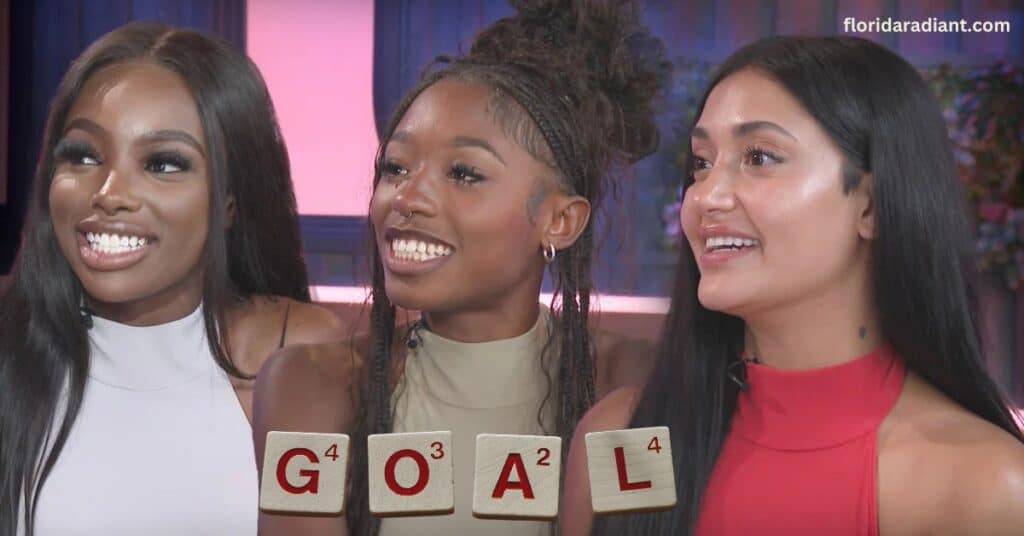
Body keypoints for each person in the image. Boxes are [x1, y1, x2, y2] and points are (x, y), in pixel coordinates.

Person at [564, 36, 1024, 535]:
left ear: (871, 205)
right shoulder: (623, 438)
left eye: (759, 157)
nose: (705, 197)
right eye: (701, 162)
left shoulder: (982, 486)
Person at [253, 1, 670, 534]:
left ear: (561, 221)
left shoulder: (634, 383)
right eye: (395, 167)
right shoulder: (312, 384)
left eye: (464, 174)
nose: (406, 197)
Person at [0, 22, 343, 535]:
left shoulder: (300, 351)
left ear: (230, 201)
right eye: (84, 156)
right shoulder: (10, 353)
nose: (111, 192)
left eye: (163, 163)